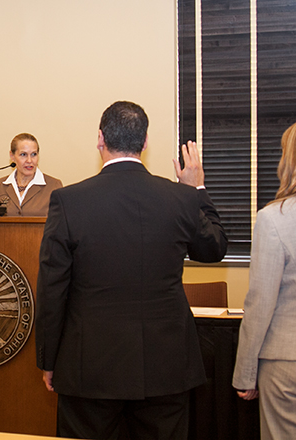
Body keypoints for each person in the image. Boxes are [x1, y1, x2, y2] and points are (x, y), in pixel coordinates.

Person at [35, 101, 227, 439]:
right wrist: (196, 188)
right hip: (166, 365)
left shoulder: (69, 201)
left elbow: (52, 288)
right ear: (145, 141)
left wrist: (49, 359)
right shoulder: (180, 198)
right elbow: (213, 249)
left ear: (100, 139)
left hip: (88, 366)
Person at [233, 117, 296, 439]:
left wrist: (245, 374)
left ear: (291, 160)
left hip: (288, 365)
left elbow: (260, 305)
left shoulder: (274, 219)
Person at [0, 133, 62, 216]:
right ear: (12, 156)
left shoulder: (54, 186)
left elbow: (60, 223)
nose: (29, 160)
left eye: (34, 154)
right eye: (23, 154)